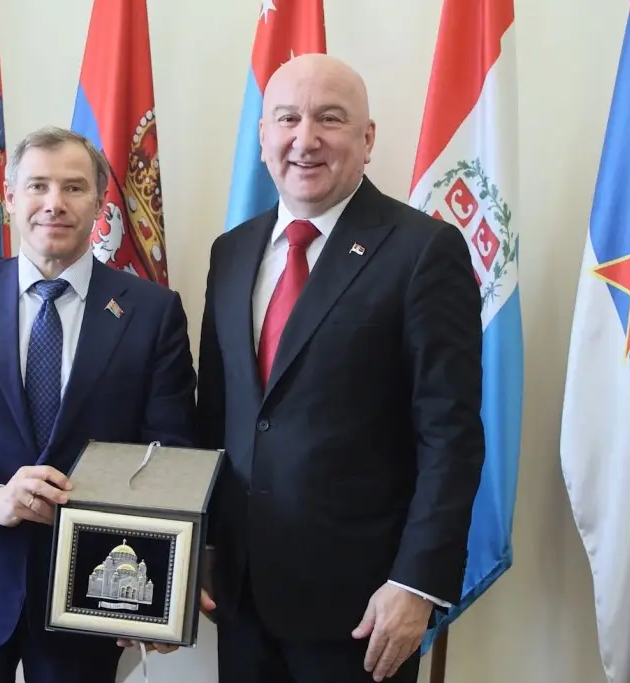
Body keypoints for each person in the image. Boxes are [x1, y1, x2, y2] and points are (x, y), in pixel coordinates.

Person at [196, 54, 486, 683]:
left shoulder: (423, 251)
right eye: (287, 119)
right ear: (263, 136)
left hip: (363, 609)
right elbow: (215, 417)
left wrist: (416, 583)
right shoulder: (232, 252)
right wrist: (197, 546)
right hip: (240, 599)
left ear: (367, 138)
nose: (306, 139)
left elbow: (451, 436)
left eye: (330, 119)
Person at [0, 126, 197, 683]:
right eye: (37, 186)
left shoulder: (153, 313)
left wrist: (156, 580)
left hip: (94, 589)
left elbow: (168, 452)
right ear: (10, 199)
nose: (54, 203)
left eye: (74, 187)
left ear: (99, 203)